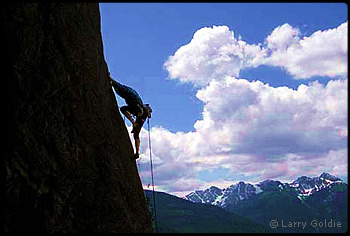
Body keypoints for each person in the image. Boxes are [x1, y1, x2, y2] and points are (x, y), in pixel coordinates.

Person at [109, 74, 152, 159]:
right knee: (136, 134)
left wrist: (134, 123)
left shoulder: (130, 95)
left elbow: (118, 85)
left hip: (136, 103)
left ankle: (137, 152)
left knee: (122, 107)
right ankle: (137, 152)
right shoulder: (142, 114)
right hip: (136, 104)